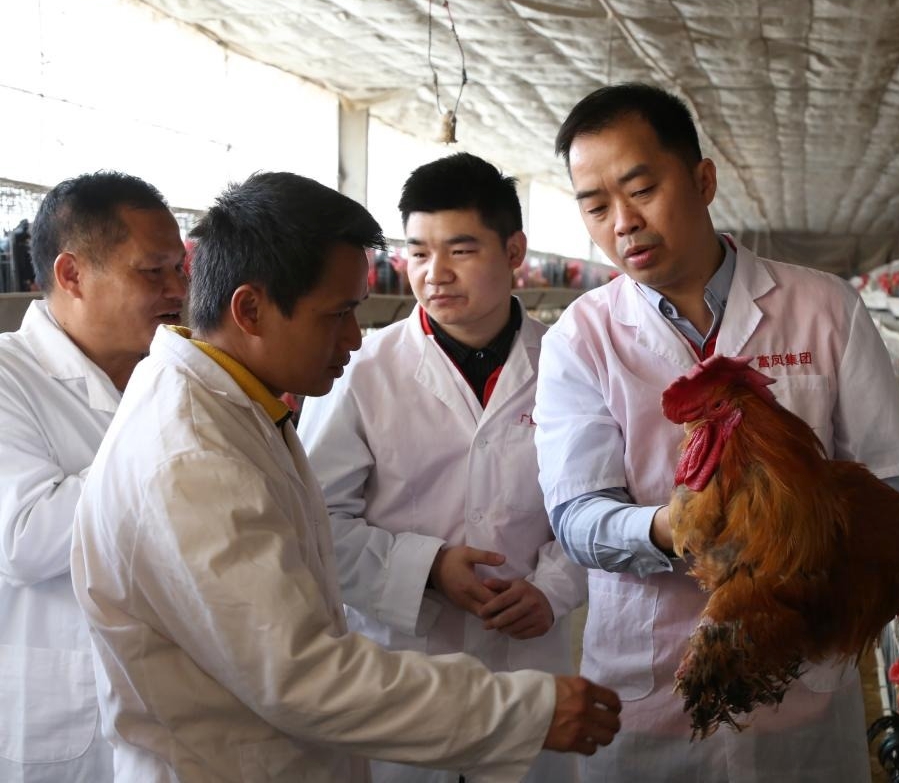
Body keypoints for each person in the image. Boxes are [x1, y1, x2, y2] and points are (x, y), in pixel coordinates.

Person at [70, 172, 620, 783]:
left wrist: (552, 589)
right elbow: (300, 675)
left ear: (513, 252)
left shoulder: (235, 410)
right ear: (250, 309)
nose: (355, 338)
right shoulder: (193, 457)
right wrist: (526, 711)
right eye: (338, 314)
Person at [533, 83, 899, 782]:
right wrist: (671, 528)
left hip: (802, 687)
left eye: (642, 190)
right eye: (596, 207)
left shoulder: (825, 306)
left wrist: (798, 545)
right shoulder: (579, 337)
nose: (623, 222)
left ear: (703, 180)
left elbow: (891, 483)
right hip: (649, 695)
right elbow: (575, 518)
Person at [300, 153, 587, 783]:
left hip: (526, 655)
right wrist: (426, 568)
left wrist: (553, 588)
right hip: (403, 669)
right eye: (418, 252)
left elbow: (596, 502)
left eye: (460, 250)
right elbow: (314, 523)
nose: (435, 274)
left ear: (514, 251)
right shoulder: (361, 370)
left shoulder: (568, 364)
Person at [0, 171, 186, 783]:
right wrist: (177, 451)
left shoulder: (168, 373)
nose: (177, 290)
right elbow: (25, 539)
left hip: (172, 705)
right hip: (63, 710)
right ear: (72, 274)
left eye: (179, 269)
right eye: (152, 272)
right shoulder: (8, 377)